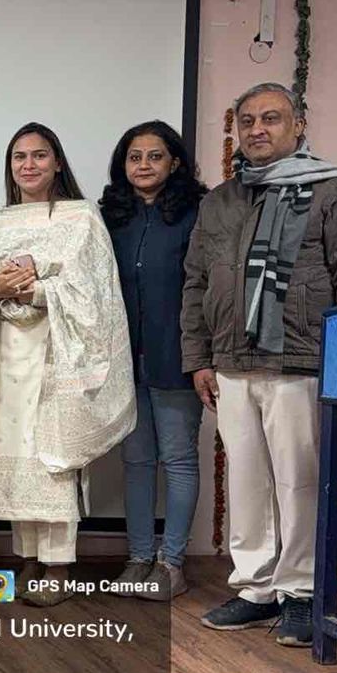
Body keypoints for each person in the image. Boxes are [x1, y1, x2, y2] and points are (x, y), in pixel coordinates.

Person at [183, 82, 337, 647]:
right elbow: (196, 283)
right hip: (231, 362)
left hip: (301, 360)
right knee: (246, 480)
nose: (257, 130)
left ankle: (301, 591)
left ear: (298, 125)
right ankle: (256, 588)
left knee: (299, 480)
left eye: (270, 118)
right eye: (246, 121)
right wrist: (199, 358)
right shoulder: (221, 200)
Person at [0, 122, 135, 607]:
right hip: (3, 358)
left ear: (57, 163)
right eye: (19, 157)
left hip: (56, 358)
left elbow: (95, 295)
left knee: (51, 456)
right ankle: (27, 556)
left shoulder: (81, 218)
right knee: (11, 455)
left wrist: (36, 289)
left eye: (39, 155)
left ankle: (58, 565)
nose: (28, 165)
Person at [100, 121, 208, 602]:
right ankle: (139, 557)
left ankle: (171, 564)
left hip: (177, 356)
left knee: (179, 459)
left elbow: (206, 287)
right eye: (134, 157)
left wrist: (202, 355)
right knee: (137, 461)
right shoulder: (109, 217)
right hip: (123, 360)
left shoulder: (197, 213)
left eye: (155, 156)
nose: (143, 165)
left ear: (175, 162)